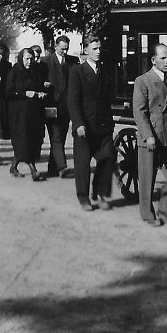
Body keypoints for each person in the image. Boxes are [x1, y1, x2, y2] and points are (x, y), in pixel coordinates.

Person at [132, 43, 167, 227]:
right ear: (153, 60)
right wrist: (148, 136)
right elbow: (139, 112)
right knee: (147, 177)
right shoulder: (143, 81)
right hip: (152, 136)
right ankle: (147, 214)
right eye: (163, 58)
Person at [68, 34, 115, 211]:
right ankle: (83, 197)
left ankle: (101, 193)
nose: (98, 52)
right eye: (94, 49)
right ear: (86, 50)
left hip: (103, 125)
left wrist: (110, 124)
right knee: (82, 164)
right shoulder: (77, 72)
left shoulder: (104, 72)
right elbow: (72, 101)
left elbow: (106, 100)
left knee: (107, 158)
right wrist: (79, 124)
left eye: (99, 48)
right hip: (84, 127)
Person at [6, 48, 47, 181]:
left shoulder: (34, 72)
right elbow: (8, 92)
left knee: (30, 140)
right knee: (23, 141)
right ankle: (33, 170)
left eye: (31, 59)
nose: (29, 62)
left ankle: (14, 167)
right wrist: (24, 94)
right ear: (21, 58)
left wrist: (40, 93)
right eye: (26, 59)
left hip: (33, 113)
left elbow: (38, 86)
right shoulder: (14, 72)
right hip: (18, 113)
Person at [43, 35, 77, 178]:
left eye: (67, 49)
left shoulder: (73, 61)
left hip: (66, 106)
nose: (64, 51)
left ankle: (52, 168)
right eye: (62, 48)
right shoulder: (46, 62)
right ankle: (62, 167)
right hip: (51, 105)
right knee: (55, 136)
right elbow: (39, 80)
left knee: (60, 137)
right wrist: (43, 84)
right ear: (56, 46)